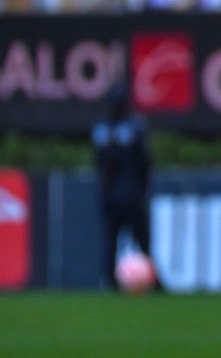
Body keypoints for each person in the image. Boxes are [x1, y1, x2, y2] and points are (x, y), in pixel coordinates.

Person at [92, 83, 153, 290]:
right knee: (139, 240)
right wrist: (142, 189)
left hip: (112, 194)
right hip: (130, 194)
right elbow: (144, 163)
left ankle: (109, 281)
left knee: (113, 240)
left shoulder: (102, 130)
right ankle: (145, 281)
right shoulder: (135, 127)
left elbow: (99, 163)